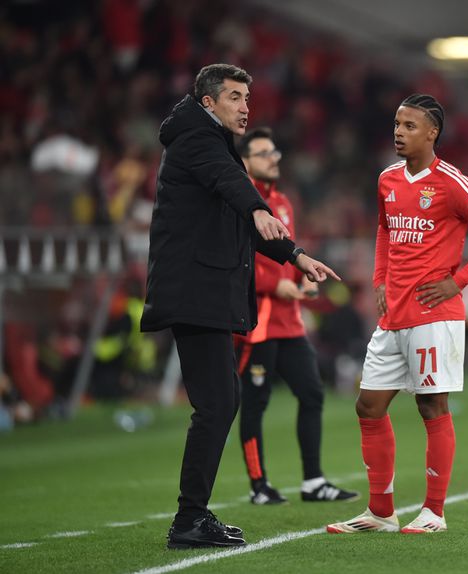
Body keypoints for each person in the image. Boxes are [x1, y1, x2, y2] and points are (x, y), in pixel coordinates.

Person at [141, 64, 340, 550]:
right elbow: (231, 183)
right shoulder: (197, 140)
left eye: (247, 97)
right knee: (218, 403)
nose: (245, 107)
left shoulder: (208, 140)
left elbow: (241, 210)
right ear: (208, 102)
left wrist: (296, 256)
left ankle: (193, 516)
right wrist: (256, 206)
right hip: (195, 291)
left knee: (220, 401)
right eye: (234, 97)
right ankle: (189, 519)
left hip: (203, 291)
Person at [326, 94, 468, 535]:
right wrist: (379, 279)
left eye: (410, 126)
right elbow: (383, 228)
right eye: (397, 124)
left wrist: (459, 280)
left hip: (434, 313)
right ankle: (381, 512)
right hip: (393, 314)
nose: (399, 132)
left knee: (431, 406)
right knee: (368, 405)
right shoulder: (387, 179)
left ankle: (434, 512)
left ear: (432, 133)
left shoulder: (452, 182)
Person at [234, 127, 357, 504]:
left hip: (289, 321)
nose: (273, 158)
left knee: (312, 392)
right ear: (244, 162)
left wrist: (301, 277)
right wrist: (275, 286)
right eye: (263, 153)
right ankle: (259, 486)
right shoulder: (238, 201)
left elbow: (284, 251)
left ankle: (313, 482)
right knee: (255, 402)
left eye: (275, 152)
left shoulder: (283, 201)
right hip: (258, 323)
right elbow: (237, 259)